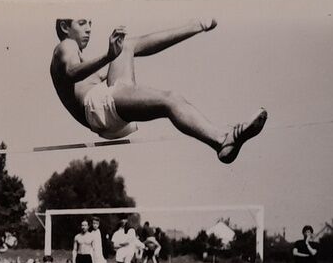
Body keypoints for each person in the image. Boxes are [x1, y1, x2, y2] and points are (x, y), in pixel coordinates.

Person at [50, 18, 267, 162]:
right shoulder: (65, 46)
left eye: (90, 23)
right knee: (170, 100)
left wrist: (112, 57)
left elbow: (95, 71)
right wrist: (108, 56)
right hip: (98, 107)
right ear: (64, 27)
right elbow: (71, 72)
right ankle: (222, 140)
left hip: (101, 111)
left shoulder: (81, 65)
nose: (89, 29)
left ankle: (196, 25)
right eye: (81, 23)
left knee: (127, 45)